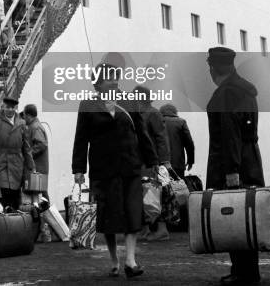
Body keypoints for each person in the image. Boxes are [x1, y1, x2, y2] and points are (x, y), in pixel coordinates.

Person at [72, 62, 159, 279]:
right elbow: (81, 138)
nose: (114, 81)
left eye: (115, 77)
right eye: (109, 78)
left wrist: (153, 160)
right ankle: (114, 260)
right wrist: (78, 169)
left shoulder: (129, 101)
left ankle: (131, 260)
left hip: (130, 165)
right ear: (98, 83)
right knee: (107, 215)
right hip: (103, 168)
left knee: (132, 211)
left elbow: (141, 132)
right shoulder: (88, 105)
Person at [206, 47, 264, 285]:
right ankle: (246, 270)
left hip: (232, 164)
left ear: (215, 68)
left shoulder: (226, 93)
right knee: (247, 217)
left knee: (233, 217)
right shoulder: (245, 90)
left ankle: (244, 273)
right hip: (250, 159)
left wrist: (231, 170)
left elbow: (230, 133)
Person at [0, 91, 34, 212]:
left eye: (12, 107)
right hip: (0, 161)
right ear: (2, 107)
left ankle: (13, 221)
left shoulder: (21, 122)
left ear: (15, 108)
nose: (10, 110)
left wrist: (31, 165)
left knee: (15, 194)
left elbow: (26, 147)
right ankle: (8, 216)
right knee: (5, 192)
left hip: (16, 163)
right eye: (7, 107)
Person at [133, 86, 172, 242]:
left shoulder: (153, 113)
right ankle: (146, 229)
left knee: (154, 196)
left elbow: (161, 138)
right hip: (141, 162)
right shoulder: (141, 114)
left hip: (151, 163)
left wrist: (164, 161)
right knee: (144, 196)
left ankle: (161, 230)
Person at [159, 103, 195, 178]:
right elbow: (189, 143)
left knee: (162, 187)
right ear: (175, 112)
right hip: (178, 163)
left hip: (161, 164)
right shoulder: (181, 122)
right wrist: (190, 161)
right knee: (178, 187)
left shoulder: (157, 122)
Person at [23, 104, 49, 200]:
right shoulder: (34, 126)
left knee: (40, 192)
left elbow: (41, 144)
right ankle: (45, 213)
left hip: (38, 167)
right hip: (38, 167)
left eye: (25, 115)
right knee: (40, 192)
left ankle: (48, 213)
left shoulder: (35, 127)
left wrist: (28, 154)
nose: (24, 117)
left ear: (29, 115)